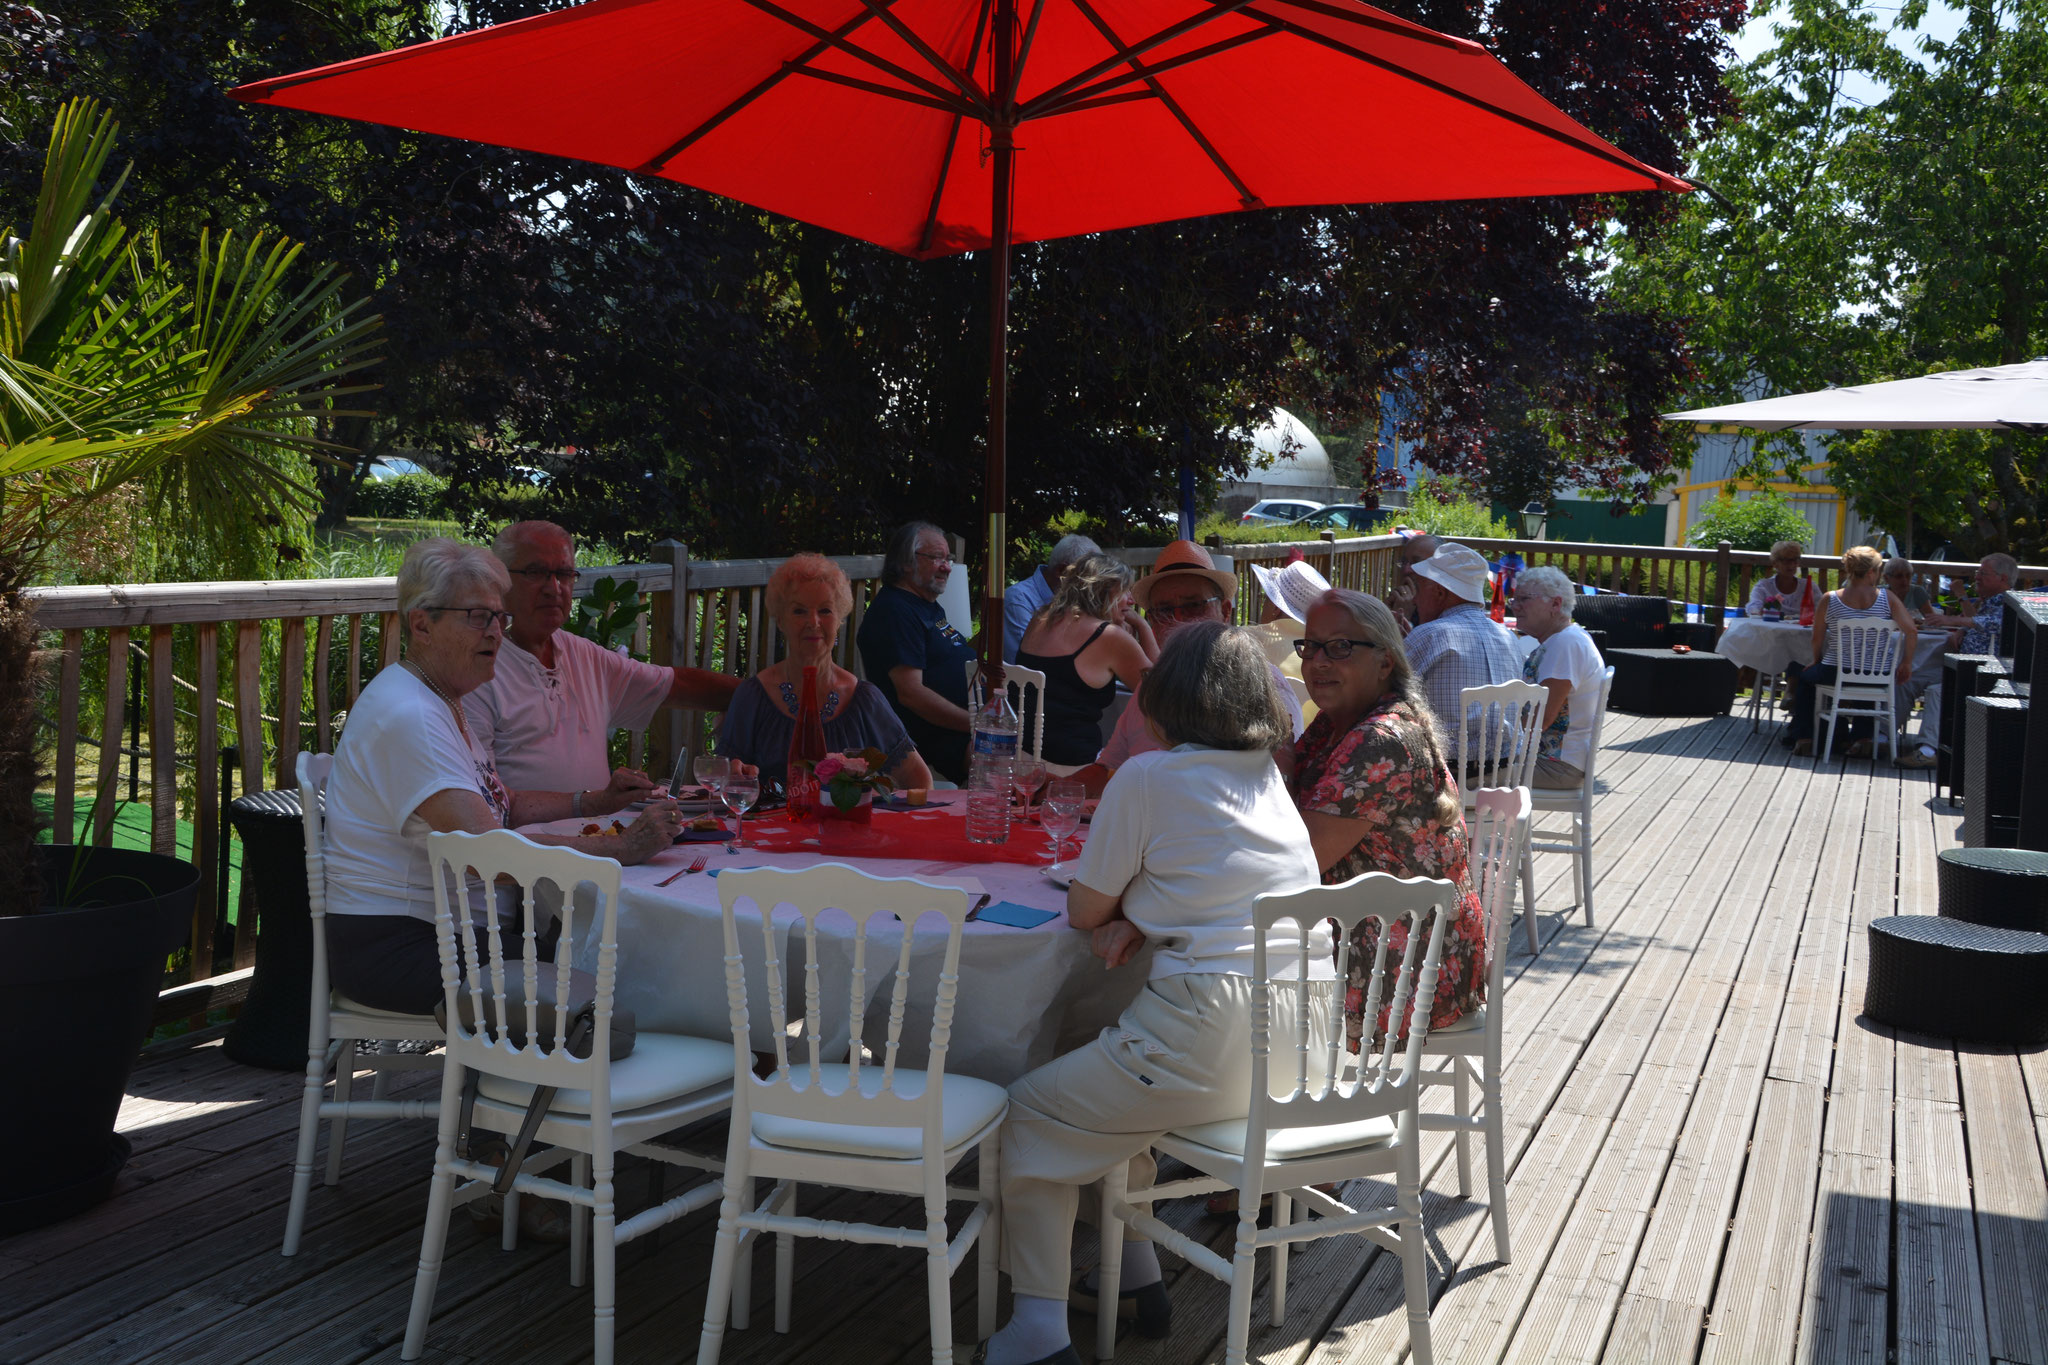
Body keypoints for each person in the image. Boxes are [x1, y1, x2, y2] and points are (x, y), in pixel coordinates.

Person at [980, 624, 1330, 1365]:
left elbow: (1082, 909)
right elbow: (1223, 879)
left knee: (1029, 1113)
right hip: (1304, 1040)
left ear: (1164, 698)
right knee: (1109, 1095)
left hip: (1211, 1027)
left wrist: (1128, 911)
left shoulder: (1148, 775)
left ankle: (1036, 1332)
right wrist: (1147, 909)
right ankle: (1137, 1277)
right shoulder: (1266, 772)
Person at [324, 538, 685, 1018]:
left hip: (456, 935)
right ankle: (567, 1091)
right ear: (421, 623)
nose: (496, 632)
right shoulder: (411, 715)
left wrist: (594, 802)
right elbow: (488, 857)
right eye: (477, 617)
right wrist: (624, 848)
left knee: (615, 954)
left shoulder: (439, 696)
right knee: (626, 974)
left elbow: (502, 803)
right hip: (400, 947)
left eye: (500, 617)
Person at [1286, 588, 1487, 1048]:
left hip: (1407, 967)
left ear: (1384, 662)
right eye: (1310, 645)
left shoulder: (1381, 738)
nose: (1318, 661)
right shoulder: (1336, 723)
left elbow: (1299, 859)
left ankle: (1255, 1104)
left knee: (1229, 976)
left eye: (1340, 647)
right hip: (1400, 937)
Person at [462, 521, 739, 811]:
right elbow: (486, 804)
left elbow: (677, 685)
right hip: (528, 850)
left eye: (564, 574)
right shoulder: (478, 670)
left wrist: (769, 694)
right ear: (499, 581)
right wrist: (593, 804)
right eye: (536, 573)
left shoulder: (582, 655)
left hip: (600, 838)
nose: (553, 588)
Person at [1076, 540, 1303, 788]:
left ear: (1225, 612)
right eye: (1164, 610)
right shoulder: (1151, 688)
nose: (1179, 620)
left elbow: (1280, 787)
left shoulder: (1262, 685)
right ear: (1153, 623)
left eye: (1194, 605)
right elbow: (1106, 768)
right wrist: (1053, 789)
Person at [717, 553, 932, 790]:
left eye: (826, 611)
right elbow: (724, 780)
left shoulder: (864, 700)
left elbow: (918, 779)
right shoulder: (753, 697)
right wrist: (734, 774)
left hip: (848, 827)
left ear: (840, 619)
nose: (814, 621)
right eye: (799, 611)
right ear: (780, 621)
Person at [856, 521, 978, 782]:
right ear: (906, 562)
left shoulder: (926, 605)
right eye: (936, 558)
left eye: (948, 558)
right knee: (1027, 759)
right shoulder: (895, 612)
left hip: (963, 730)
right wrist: (977, 724)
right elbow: (911, 694)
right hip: (938, 742)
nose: (947, 567)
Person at [1014, 553, 1155, 772]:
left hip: (1022, 758)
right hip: (1072, 767)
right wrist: (1143, 626)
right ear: (1106, 591)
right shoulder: (1107, 636)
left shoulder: (1041, 617)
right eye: (1125, 590)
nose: (1132, 600)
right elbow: (1162, 696)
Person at [1783, 545, 1917, 757]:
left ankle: (1805, 737)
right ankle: (1862, 739)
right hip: (1877, 673)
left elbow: (1816, 637)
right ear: (1872, 572)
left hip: (1835, 670)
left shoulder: (1830, 598)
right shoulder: (1888, 599)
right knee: (1864, 675)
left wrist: (1816, 660)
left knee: (1805, 678)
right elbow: (1911, 631)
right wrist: (1906, 663)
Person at [1896, 552, 2019, 768]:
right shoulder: (1989, 601)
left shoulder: (2010, 602)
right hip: (1960, 666)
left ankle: (1927, 750)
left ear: (2003, 579)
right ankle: (1881, 737)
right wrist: (1963, 628)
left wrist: (1954, 619)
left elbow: (1995, 624)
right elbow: (1979, 621)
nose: (1977, 577)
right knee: (1906, 678)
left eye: (1983, 573)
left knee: (1938, 690)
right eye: (1977, 572)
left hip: (1984, 672)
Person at [1401, 541, 1522, 752]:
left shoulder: (1429, 635)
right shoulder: (1508, 636)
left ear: (1439, 593)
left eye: (1418, 589)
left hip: (1448, 775)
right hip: (1507, 772)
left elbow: (1387, 696)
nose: (1415, 599)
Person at [1510, 566, 1607, 788]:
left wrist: (1493, 731)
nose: (1515, 606)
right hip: (1550, 761)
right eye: (1513, 600)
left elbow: (1540, 720)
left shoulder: (1566, 644)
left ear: (1555, 604)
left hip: (1556, 766)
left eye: (1524, 599)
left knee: (1465, 771)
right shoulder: (1565, 639)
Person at [1003, 533, 1103, 663]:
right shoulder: (1018, 600)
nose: (1093, 586)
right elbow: (1024, 665)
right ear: (1062, 571)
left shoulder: (1075, 599)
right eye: (1087, 578)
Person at [1386, 530, 1439, 632]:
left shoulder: (1442, 609)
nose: (1406, 570)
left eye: (1417, 563)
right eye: (1404, 562)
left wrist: (1403, 620)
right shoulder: (1400, 602)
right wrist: (1385, 615)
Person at [1746, 541, 1814, 619]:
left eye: (1795, 560)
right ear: (1775, 563)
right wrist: (1758, 611)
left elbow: (1823, 609)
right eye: (1786, 560)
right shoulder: (1763, 586)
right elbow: (1754, 608)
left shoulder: (1809, 586)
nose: (1791, 564)